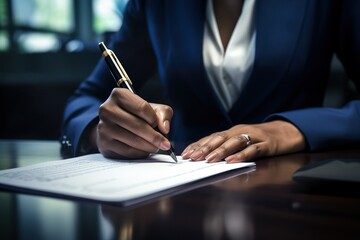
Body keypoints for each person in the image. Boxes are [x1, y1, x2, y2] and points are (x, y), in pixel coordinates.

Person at [61, 0, 360, 163]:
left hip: (295, 198)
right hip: (181, 198)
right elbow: (86, 99)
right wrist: (98, 133)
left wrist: (290, 130)